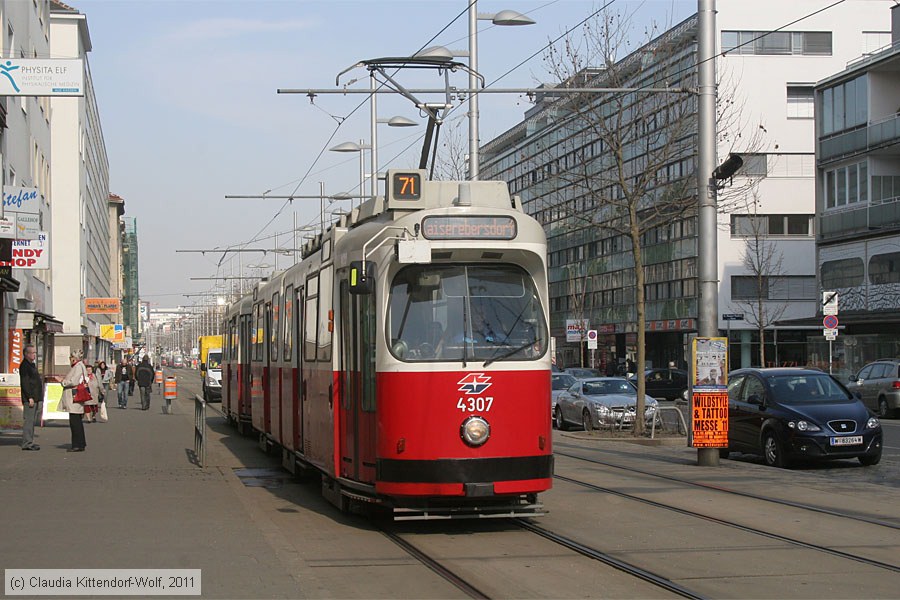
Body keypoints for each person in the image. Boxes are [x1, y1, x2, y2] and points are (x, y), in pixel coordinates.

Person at [59, 349, 89, 452]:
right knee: (76, 421)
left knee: (75, 422)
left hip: (74, 397)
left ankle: (77, 444)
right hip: (76, 396)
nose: (70, 360)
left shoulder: (78, 366)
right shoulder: (79, 366)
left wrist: (63, 382)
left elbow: (74, 381)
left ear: (74, 358)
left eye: (71, 358)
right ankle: (80, 443)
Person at [19, 344, 43, 451]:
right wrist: (29, 397)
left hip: (36, 397)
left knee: (32, 421)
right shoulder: (24, 366)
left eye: (35, 353)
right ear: (26, 354)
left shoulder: (31, 365)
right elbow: (25, 383)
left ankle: (30, 441)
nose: (34, 355)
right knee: (28, 421)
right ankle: (27, 443)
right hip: (30, 398)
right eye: (32, 353)